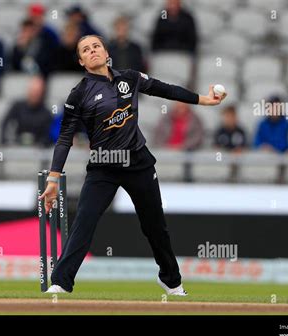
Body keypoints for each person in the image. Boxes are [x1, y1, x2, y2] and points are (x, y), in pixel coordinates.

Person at [39, 35, 226, 295]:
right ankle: (60, 281)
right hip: (103, 166)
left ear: (106, 53)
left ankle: (171, 280)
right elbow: (64, 138)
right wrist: (52, 179)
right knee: (85, 221)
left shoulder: (129, 77)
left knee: (155, 226)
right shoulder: (79, 93)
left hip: (138, 163)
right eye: (85, 50)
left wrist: (203, 100)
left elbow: (165, 89)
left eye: (96, 46)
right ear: (81, 61)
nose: (92, 51)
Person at [0, 76, 53, 146]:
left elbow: (48, 137)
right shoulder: (17, 107)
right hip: (17, 147)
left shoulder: (47, 113)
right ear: (28, 91)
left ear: (42, 93)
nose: (34, 95)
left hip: (37, 151)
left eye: (37, 92)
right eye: (32, 91)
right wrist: (6, 142)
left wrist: (41, 145)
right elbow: (5, 123)